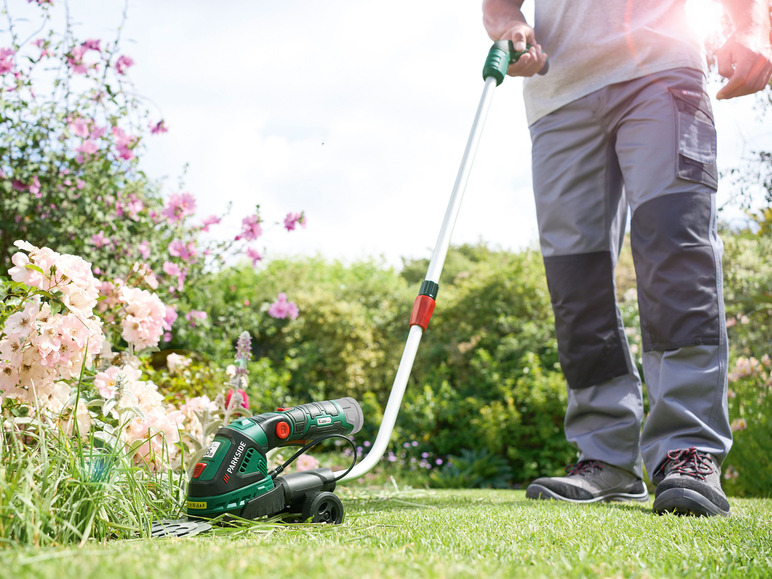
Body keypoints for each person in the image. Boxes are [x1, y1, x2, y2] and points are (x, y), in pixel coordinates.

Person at [481, 0, 772, 516]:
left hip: (662, 68)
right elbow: (501, 6)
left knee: (676, 255)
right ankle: (605, 455)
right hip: (558, 93)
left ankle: (688, 449)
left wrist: (753, 24)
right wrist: (509, 25)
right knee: (576, 283)